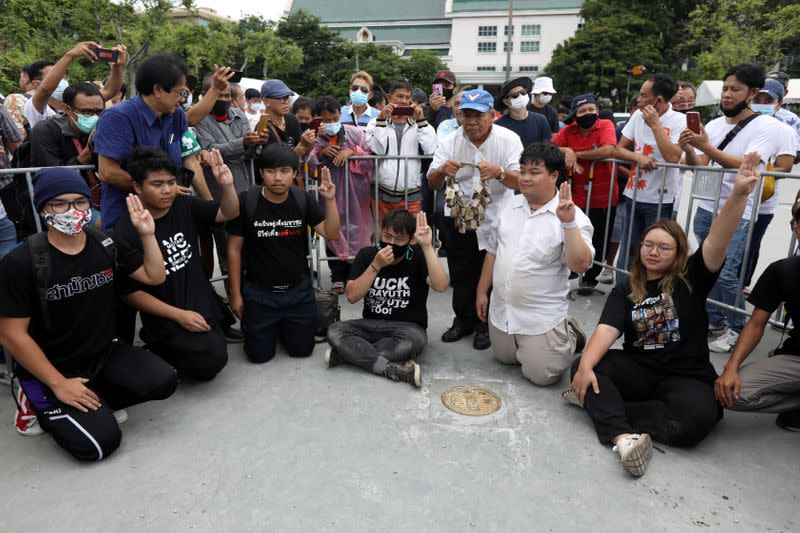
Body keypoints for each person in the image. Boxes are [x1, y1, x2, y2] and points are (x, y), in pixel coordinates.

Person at [566, 152, 762, 477]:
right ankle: (622, 437)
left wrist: (739, 193)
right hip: (639, 370)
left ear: (678, 254)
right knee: (586, 364)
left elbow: (718, 239)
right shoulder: (626, 288)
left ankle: (601, 405)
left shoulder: (693, 278)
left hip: (686, 377)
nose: (653, 252)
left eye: (664, 248)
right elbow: (606, 330)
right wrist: (586, 366)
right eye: (648, 245)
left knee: (699, 419)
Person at [0, 167, 177, 458]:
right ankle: (32, 398)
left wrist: (147, 235)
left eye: (80, 202)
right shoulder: (21, 262)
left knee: (165, 380)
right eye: (60, 203)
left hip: (102, 355)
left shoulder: (104, 243)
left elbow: (155, 277)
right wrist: (58, 383)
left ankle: (90, 400)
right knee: (100, 444)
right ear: (44, 208)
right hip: (51, 368)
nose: (72, 211)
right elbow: (10, 334)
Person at [680, 63, 796, 353]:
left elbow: (747, 165)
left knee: (728, 274)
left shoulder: (769, 127)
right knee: (705, 267)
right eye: (725, 88)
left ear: (752, 93)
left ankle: (737, 326)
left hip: (739, 211)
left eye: (735, 89)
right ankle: (715, 321)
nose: (727, 95)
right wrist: (688, 150)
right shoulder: (716, 125)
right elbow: (701, 166)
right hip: (706, 207)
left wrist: (705, 148)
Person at [113, 147, 239, 381]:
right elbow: (130, 294)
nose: (167, 190)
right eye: (157, 184)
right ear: (137, 187)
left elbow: (227, 213)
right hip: (168, 314)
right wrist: (179, 315)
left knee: (218, 348)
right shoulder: (125, 232)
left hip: (200, 302)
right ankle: (155, 344)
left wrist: (226, 184)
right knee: (211, 361)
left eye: (171, 182)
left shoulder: (184, 205)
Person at [477, 143, 593, 385]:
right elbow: (493, 250)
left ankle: (568, 333)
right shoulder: (510, 204)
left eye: (534, 172)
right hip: (503, 311)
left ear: (554, 176)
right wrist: (482, 290)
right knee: (504, 358)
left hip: (540, 316)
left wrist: (568, 224)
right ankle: (530, 343)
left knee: (542, 376)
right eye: (522, 171)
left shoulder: (573, 216)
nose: (525, 178)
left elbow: (580, 265)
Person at [427, 89, 523, 350]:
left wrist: (500, 172)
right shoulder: (450, 141)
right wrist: (441, 170)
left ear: (492, 115)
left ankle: (485, 326)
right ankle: (463, 320)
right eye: (465, 114)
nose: (471, 121)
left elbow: (522, 181)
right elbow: (432, 182)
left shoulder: (509, 140)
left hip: (496, 219)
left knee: (491, 273)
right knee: (460, 271)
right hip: (458, 218)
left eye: (477, 115)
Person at [227, 144, 340, 363]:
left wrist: (330, 199)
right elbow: (233, 249)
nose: (277, 178)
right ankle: (270, 328)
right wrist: (236, 294)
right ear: (261, 173)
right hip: (259, 293)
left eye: (285, 171)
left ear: (294, 173)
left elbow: (331, 233)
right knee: (259, 356)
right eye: (271, 171)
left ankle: (283, 327)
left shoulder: (302, 199)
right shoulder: (247, 201)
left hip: (297, 291)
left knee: (302, 350)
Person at [325, 210, 448, 386]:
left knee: (414, 341)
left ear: (411, 240)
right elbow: (352, 296)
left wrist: (427, 246)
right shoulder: (367, 255)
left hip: (407, 328)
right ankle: (389, 367)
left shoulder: (418, 256)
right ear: (380, 233)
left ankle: (348, 354)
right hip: (370, 326)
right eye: (387, 236)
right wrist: (376, 265)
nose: (391, 243)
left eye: (399, 239)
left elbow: (441, 285)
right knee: (335, 330)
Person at [715, 204, 800, 432]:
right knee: (731, 394)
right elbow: (756, 324)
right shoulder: (782, 270)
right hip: (797, 359)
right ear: (795, 228)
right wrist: (731, 367)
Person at [94, 53, 197, 232]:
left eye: (185, 93)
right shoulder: (119, 117)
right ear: (157, 90)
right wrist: (161, 190)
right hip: (129, 220)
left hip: (169, 215)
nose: (182, 99)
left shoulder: (177, 115)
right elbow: (108, 172)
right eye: (180, 93)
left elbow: (188, 157)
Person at [615, 73, 685, 284]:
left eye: (644, 95)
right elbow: (619, 150)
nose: (639, 99)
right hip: (633, 195)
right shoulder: (637, 116)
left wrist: (655, 124)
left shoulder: (679, 121)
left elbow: (673, 157)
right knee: (628, 250)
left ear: (659, 101)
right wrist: (636, 156)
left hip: (661, 201)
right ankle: (622, 293)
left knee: (656, 253)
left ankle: (649, 294)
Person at [552, 94, 619, 293]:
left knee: (599, 237)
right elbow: (550, 146)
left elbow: (608, 150)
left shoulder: (606, 125)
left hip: (602, 195)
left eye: (591, 109)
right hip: (575, 195)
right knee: (573, 233)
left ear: (597, 111)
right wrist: (566, 150)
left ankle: (590, 277)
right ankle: (573, 267)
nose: (588, 114)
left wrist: (575, 154)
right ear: (574, 115)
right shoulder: (569, 130)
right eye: (582, 111)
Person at [307, 95, 374, 294]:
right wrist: (320, 153)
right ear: (319, 119)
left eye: (334, 118)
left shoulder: (355, 133)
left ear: (340, 114)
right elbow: (308, 167)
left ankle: (355, 275)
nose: (330, 123)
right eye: (325, 120)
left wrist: (352, 152)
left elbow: (370, 158)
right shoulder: (315, 139)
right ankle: (337, 276)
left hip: (357, 193)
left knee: (359, 233)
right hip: (330, 193)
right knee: (332, 231)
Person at [742, 79, 800, 291]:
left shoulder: (787, 127)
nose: (762, 103)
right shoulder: (742, 121)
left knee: (751, 245)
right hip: (738, 198)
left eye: (768, 100)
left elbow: (787, 166)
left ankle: (743, 284)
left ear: (779, 102)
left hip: (764, 200)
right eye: (758, 99)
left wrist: (758, 170)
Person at [29, 82, 105, 218]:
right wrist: (87, 153)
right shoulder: (46, 130)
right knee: (106, 225)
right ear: (67, 108)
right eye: (87, 112)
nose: (95, 117)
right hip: (64, 206)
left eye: (99, 112)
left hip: (101, 199)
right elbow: (54, 179)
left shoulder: (105, 127)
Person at [366, 80, 437, 220]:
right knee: (381, 237)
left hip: (411, 194)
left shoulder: (419, 123)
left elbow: (431, 150)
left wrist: (421, 120)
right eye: (399, 96)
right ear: (388, 97)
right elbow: (379, 151)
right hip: (381, 192)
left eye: (407, 97)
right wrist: (382, 120)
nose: (403, 101)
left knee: (411, 238)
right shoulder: (375, 121)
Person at [24, 42, 126, 130]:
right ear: (37, 84)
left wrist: (117, 67)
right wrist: (69, 56)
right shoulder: (36, 107)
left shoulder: (75, 97)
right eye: (55, 76)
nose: (61, 80)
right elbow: (46, 90)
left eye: (62, 75)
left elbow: (110, 91)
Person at [260, 79, 316, 160]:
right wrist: (301, 146)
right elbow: (275, 163)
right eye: (282, 98)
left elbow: (305, 151)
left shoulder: (291, 119)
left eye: (288, 97)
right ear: (266, 101)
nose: (286, 102)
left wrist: (310, 141)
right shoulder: (263, 129)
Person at [495, 77, 551, 148]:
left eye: (523, 92)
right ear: (506, 102)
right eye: (515, 95)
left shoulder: (541, 120)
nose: (521, 96)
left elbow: (548, 149)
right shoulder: (499, 126)